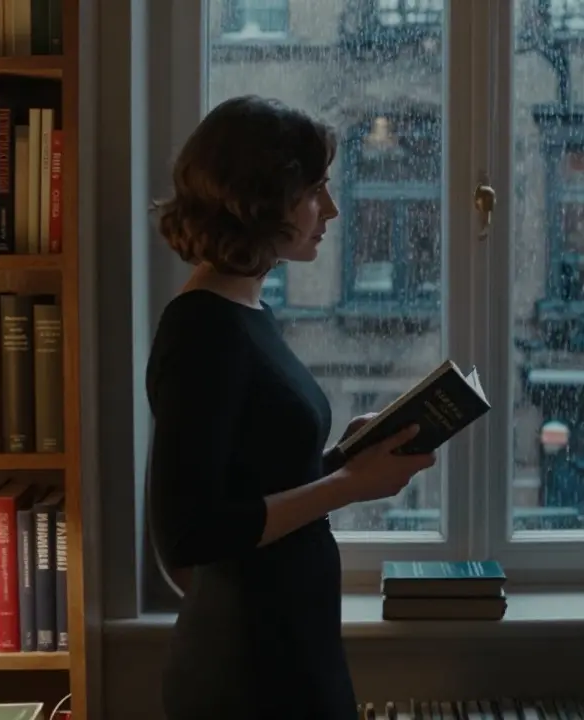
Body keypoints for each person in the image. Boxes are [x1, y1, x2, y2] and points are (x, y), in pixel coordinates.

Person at [145, 95, 435, 720]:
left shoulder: (247, 313)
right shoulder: (201, 329)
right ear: (259, 200)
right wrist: (348, 485)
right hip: (246, 663)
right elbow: (191, 529)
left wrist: (345, 460)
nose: (330, 208)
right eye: (315, 190)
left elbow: (253, 480)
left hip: (287, 641)